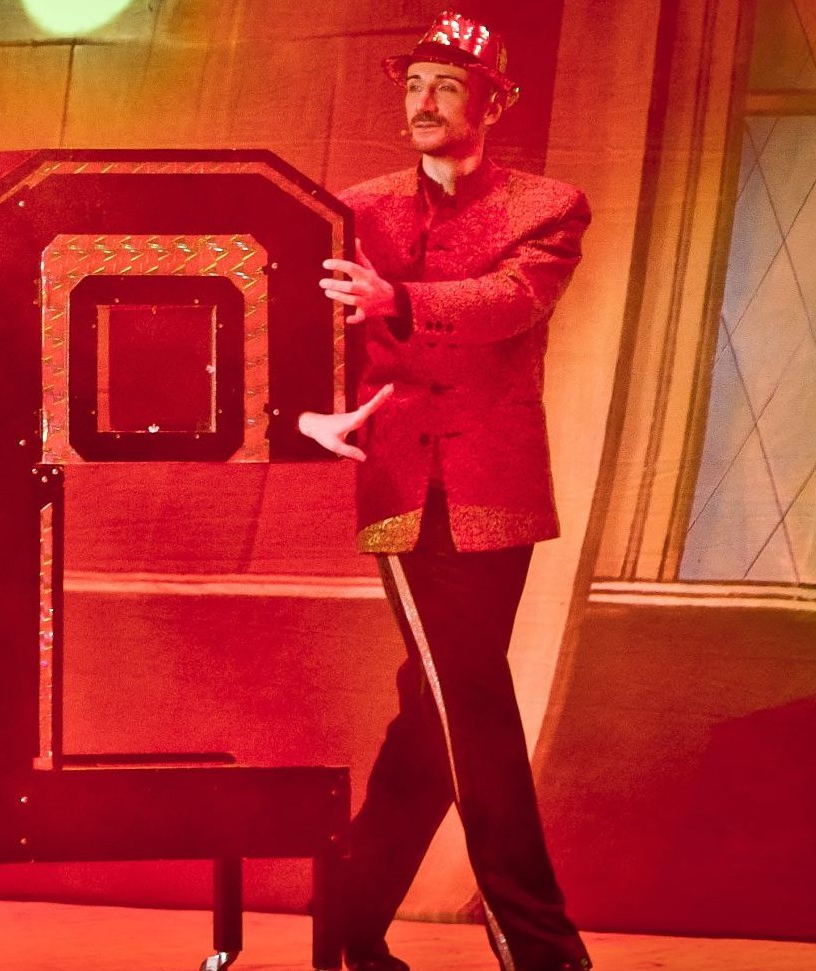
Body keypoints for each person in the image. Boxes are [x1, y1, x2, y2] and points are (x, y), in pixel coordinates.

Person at [296, 12, 593, 971]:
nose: (423, 102)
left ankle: (345, 917)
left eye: (448, 86)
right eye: (414, 85)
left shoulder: (549, 206)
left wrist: (401, 300)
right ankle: (540, 944)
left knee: (438, 716)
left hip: (496, 491)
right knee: (474, 706)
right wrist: (302, 416)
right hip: (400, 487)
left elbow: (513, 301)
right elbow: (296, 325)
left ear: (494, 104)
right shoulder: (355, 209)